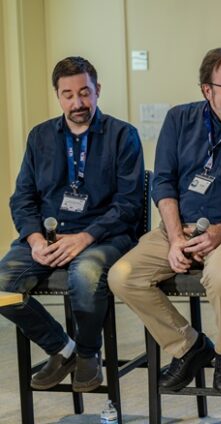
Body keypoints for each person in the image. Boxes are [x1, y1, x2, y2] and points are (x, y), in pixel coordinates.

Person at [108, 48, 221, 394]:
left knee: (219, 276)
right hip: (180, 228)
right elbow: (163, 183)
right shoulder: (179, 120)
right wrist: (174, 238)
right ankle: (188, 346)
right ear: (207, 90)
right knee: (122, 276)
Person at [0, 56, 145, 392]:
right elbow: (21, 198)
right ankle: (63, 349)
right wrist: (35, 239)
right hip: (47, 238)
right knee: (2, 284)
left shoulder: (123, 136)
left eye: (85, 92)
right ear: (58, 95)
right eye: (68, 94)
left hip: (103, 236)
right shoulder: (40, 137)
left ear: (98, 91)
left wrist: (83, 238)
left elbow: (129, 204)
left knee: (86, 274)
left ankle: (89, 354)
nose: (77, 103)